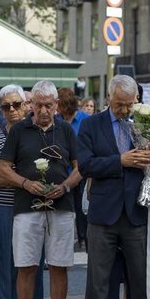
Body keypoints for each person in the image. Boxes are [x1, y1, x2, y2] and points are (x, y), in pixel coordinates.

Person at [78, 75, 150, 299]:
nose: (125, 110)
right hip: (103, 212)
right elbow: (85, 165)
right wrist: (120, 161)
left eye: (130, 104)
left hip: (137, 211)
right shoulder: (91, 125)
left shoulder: (145, 123)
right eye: (120, 104)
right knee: (98, 277)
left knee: (141, 277)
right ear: (109, 98)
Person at [0, 80, 81, 299]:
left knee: (59, 265)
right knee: (26, 265)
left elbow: (80, 167)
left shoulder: (66, 131)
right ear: (30, 104)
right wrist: (25, 183)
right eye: (39, 105)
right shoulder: (19, 131)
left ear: (56, 105)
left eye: (49, 105)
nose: (44, 110)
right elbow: (3, 168)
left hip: (61, 207)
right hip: (26, 207)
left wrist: (66, 186)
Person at [0, 84, 45, 299]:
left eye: (17, 104)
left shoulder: (36, 135)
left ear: (27, 105)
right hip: (5, 206)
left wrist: (9, 174)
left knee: (34, 262)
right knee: (8, 262)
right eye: (6, 106)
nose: (12, 110)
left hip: (34, 206)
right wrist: (23, 181)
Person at [57, 87, 88, 250]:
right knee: (65, 208)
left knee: (81, 206)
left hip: (81, 170)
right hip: (62, 171)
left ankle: (83, 238)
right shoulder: (57, 119)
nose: (63, 113)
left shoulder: (85, 119)